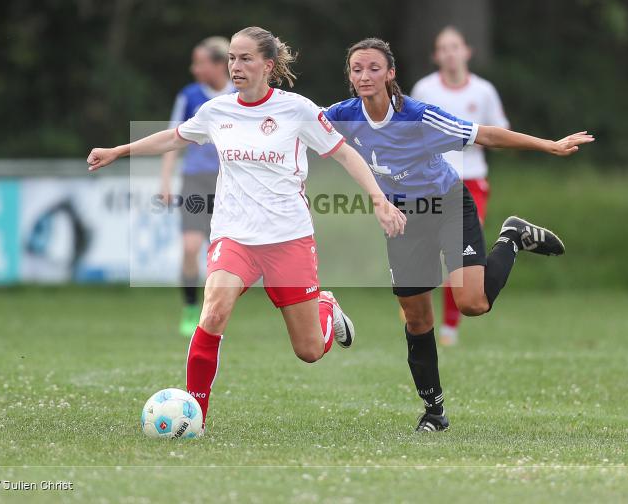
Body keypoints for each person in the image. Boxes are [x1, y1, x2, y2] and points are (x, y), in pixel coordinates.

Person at [87, 27, 406, 430]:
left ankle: (327, 307)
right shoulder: (218, 110)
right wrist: (120, 150)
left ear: (268, 65)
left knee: (309, 350)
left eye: (245, 59)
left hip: (289, 239)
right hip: (234, 235)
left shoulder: (298, 110)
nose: (235, 66)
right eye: (232, 59)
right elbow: (174, 137)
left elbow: (344, 154)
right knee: (214, 312)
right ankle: (196, 417)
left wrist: (379, 199)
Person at [324, 38, 593, 432]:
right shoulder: (340, 115)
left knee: (472, 303)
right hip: (403, 220)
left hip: (448, 205)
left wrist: (549, 146)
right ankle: (434, 412)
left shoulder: (419, 117)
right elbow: (294, 122)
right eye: (357, 69)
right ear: (349, 75)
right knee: (416, 319)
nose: (365, 76)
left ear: (391, 73)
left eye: (374, 68)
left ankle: (512, 237)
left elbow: (485, 134)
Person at [410, 26, 510, 346]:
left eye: (455, 47)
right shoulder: (424, 90)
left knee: (461, 254)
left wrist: (476, 139)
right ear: (436, 56)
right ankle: (428, 313)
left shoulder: (483, 92)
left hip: (472, 183)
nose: (450, 53)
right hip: (433, 184)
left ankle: (450, 330)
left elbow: (499, 133)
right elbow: (409, 133)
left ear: (467, 51)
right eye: (443, 48)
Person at [159, 36, 234, 336]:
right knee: (191, 247)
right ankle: (191, 308)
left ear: (218, 64)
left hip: (230, 182)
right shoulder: (189, 96)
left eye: (199, 62)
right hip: (195, 181)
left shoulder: (240, 94)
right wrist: (165, 180)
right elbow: (172, 140)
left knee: (226, 252)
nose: (194, 68)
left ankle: (215, 311)